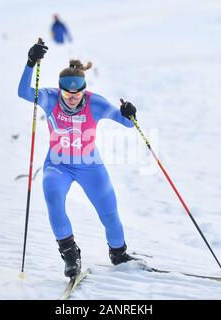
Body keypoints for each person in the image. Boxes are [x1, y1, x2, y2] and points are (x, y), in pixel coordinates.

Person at [18, 41, 137, 278]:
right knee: (54, 200)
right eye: (67, 93)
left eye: (77, 93)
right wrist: (31, 62)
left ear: (84, 89)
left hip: (90, 166)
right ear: (59, 89)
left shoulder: (96, 102)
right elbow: (23, 92)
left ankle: (119, 253)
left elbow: (126, 122)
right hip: (58, 165)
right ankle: (71, 255)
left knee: (110, 214)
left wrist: (130, 114)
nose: (72, 98)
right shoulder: (49, 97)